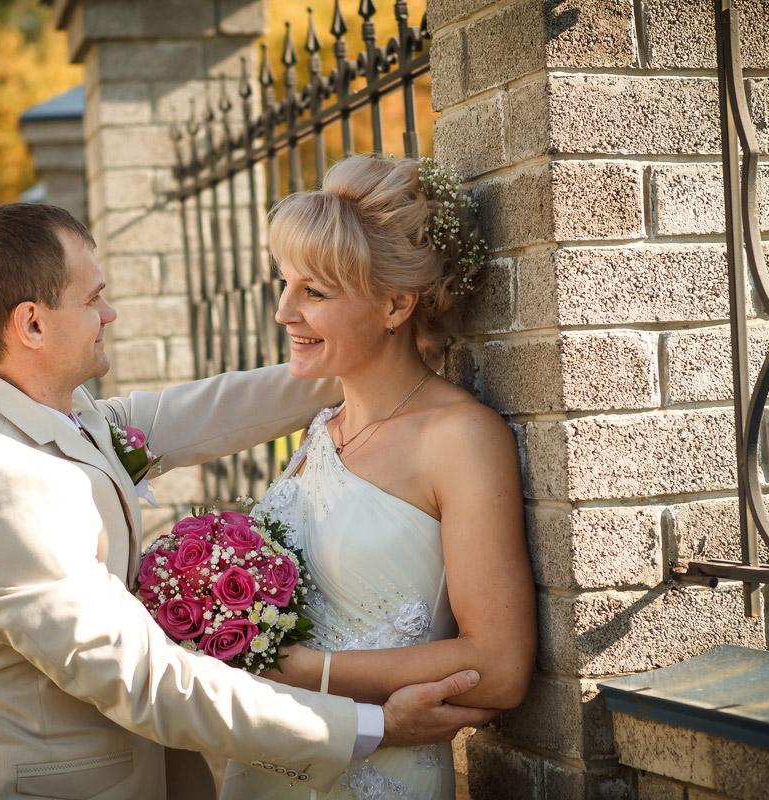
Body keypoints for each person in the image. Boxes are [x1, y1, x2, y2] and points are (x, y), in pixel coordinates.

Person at [0, 202, 499, 800]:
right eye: (92, 300)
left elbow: (201, 413)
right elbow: (145, 680)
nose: (109, 313)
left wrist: (361, 347)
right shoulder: (1, 479)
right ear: (31, 325)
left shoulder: (46, 411)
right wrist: (373, 725)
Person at [220, 155, 537, 800]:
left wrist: (316, 670)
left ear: (396, 303)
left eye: (314, 292)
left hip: (381, 777)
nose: (284, 311)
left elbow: (500, 666)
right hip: (278, 761)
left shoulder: (459, 438)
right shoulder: (321, 432)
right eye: (285, 284)